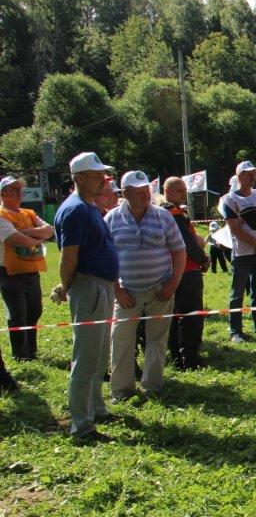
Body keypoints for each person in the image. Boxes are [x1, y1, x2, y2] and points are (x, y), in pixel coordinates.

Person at [53, 152, 120, 441]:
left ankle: (96, 409)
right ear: (78, 178)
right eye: (95, 176)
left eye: (102, 175)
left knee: (98, 354)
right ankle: (81, 425)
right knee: (86, 358)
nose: (102, 180)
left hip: (100, 287)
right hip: (89, 288)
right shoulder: (77, 210)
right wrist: (65, 287)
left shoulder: (89, 206)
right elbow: (69, 258)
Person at [105, 171, 185, 402]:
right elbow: (106, 258)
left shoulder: (163, 216)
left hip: (161, 290)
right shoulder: (111, 219)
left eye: (146, 191)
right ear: (125, 193)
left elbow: (179, 251)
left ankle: (153, 387)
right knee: (121, 341)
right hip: (126, 292)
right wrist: (117, 290)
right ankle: (121, 391)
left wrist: (172, 284)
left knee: (157, 340)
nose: (144, 195)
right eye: (137, 192)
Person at [0, 176, 53, 360]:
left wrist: (27, 232)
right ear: (2, 194)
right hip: (10, 273)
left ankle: (31, 351)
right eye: (13, 189)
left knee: (34, 311)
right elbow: (13, 239)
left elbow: (49, 231)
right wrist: (37, 241)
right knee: (17, 315)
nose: (18, 192)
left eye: (19, 188)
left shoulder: (28, 213)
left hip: (32, 270)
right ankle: (21, 355)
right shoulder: (1, 214)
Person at [162, 177, 210, 370]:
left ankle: (176, 356)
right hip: (187, 270)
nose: (184, 194)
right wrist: (203, 259)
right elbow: (187, 243)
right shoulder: (174, 213)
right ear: (168, 191)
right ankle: (190, 358)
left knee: (175, 316)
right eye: (180, 191)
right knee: (191, 316)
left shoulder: (162, 212)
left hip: (170, 271)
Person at [221, 161, 256, 343]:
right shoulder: (229, 199)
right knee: (238, 293)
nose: (252, 177)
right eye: (248, 174)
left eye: (254, 174)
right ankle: (235, 331)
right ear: (239, 176)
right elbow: (235, 229)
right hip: (242, 253)